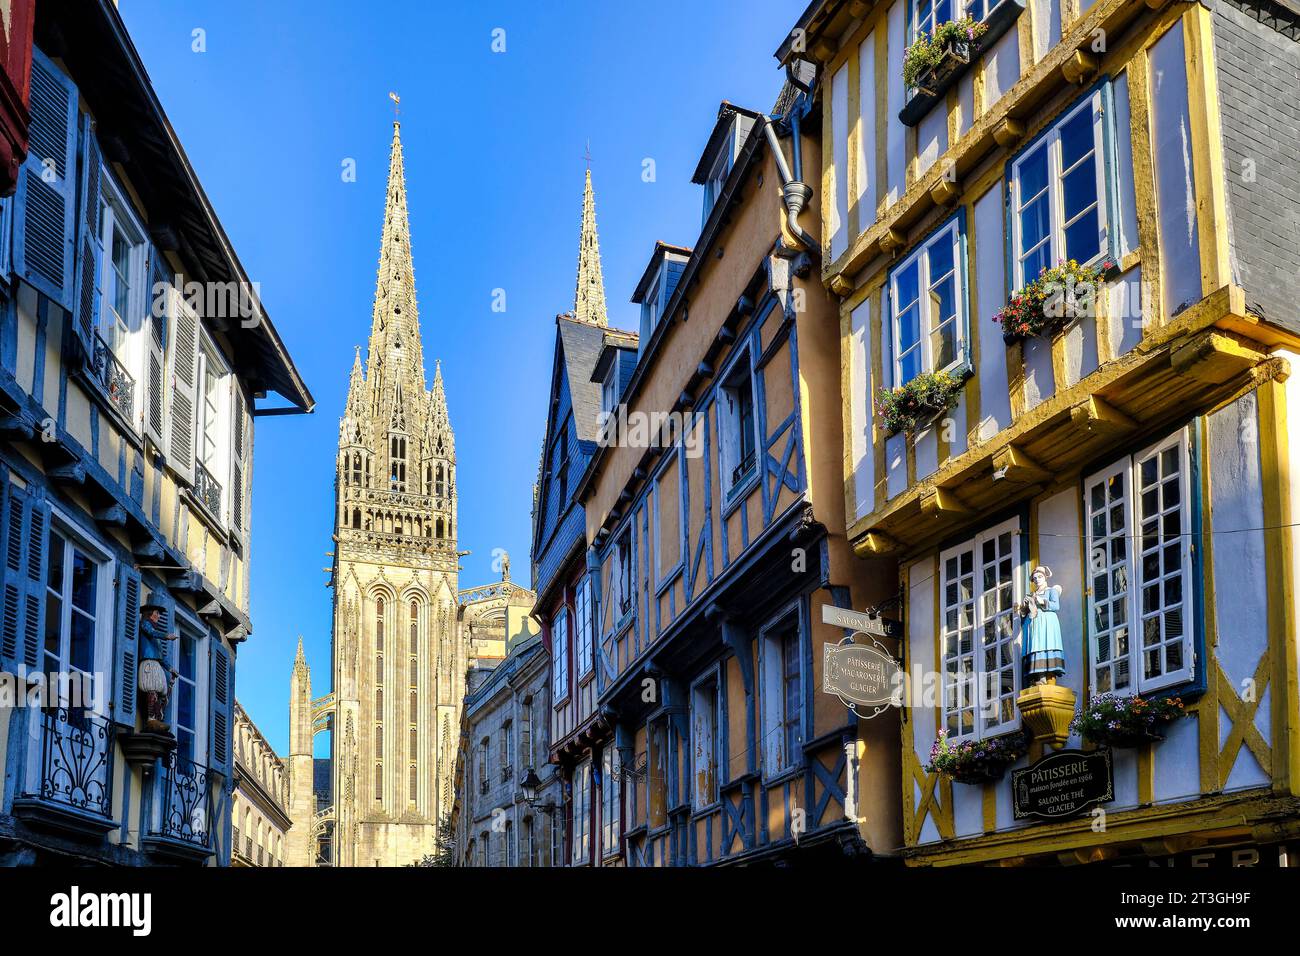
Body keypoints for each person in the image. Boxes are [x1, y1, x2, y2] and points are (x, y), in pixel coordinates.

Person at [138, 602, 179, 732]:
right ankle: (151, 719)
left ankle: (156, 718)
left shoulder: (156, 638)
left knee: (161, 691)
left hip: (156, 663)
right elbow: (151, 632)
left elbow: (160, 656)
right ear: (149, 614)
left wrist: (170, 669)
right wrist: (166, 636)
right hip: (148, 663)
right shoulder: (145, 624)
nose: (159, 617)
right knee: (152, 688)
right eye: (156, 613)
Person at [1020, 565, 1064, 685]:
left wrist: (1041, 601)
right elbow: (1024, 615)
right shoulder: (1031, 595)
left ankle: (1049, 677)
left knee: (1047, 645)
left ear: (1045, 578)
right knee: (1036, 646)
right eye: (1035, 578)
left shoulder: (1051, 591)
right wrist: (1024, 608)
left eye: (1039, 577)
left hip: (1047, 622)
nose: (1037, 580)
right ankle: (1039, 676)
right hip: (1035, 624)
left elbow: (1056, 606)